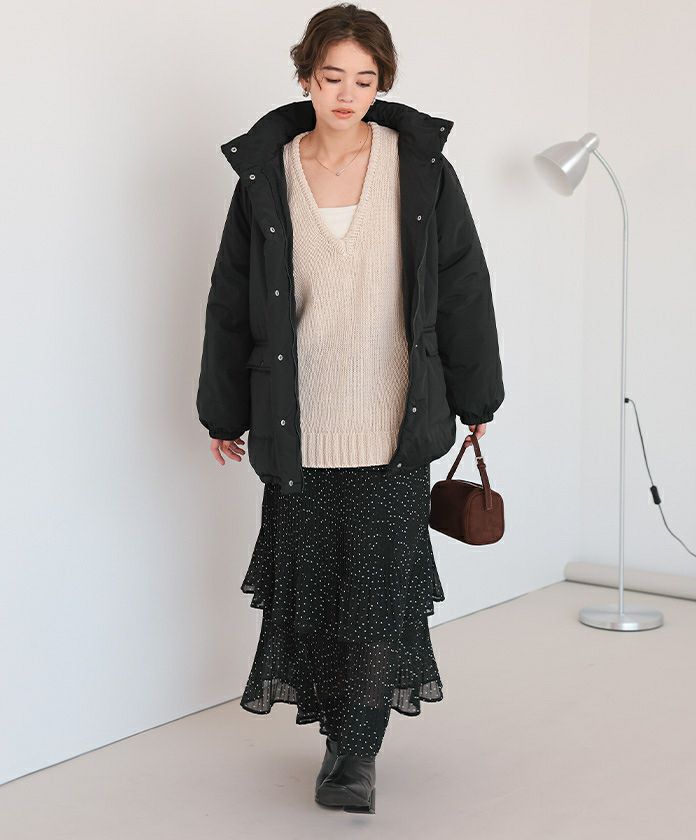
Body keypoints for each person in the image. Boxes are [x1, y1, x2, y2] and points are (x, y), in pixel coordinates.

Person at [196, 3, 505, 815]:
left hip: (394, 416)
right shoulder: (268, 173)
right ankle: (337, 730)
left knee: (375, 596)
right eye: (332, 76)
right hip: (298, 420)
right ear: (306, 77)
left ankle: (354, 753)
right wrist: (222, 412)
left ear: (381, 84)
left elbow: (464, 283)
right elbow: (231, 298)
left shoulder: (422, 168)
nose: (347, 93)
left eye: (365, 80)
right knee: (314, 590)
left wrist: (477, 395)